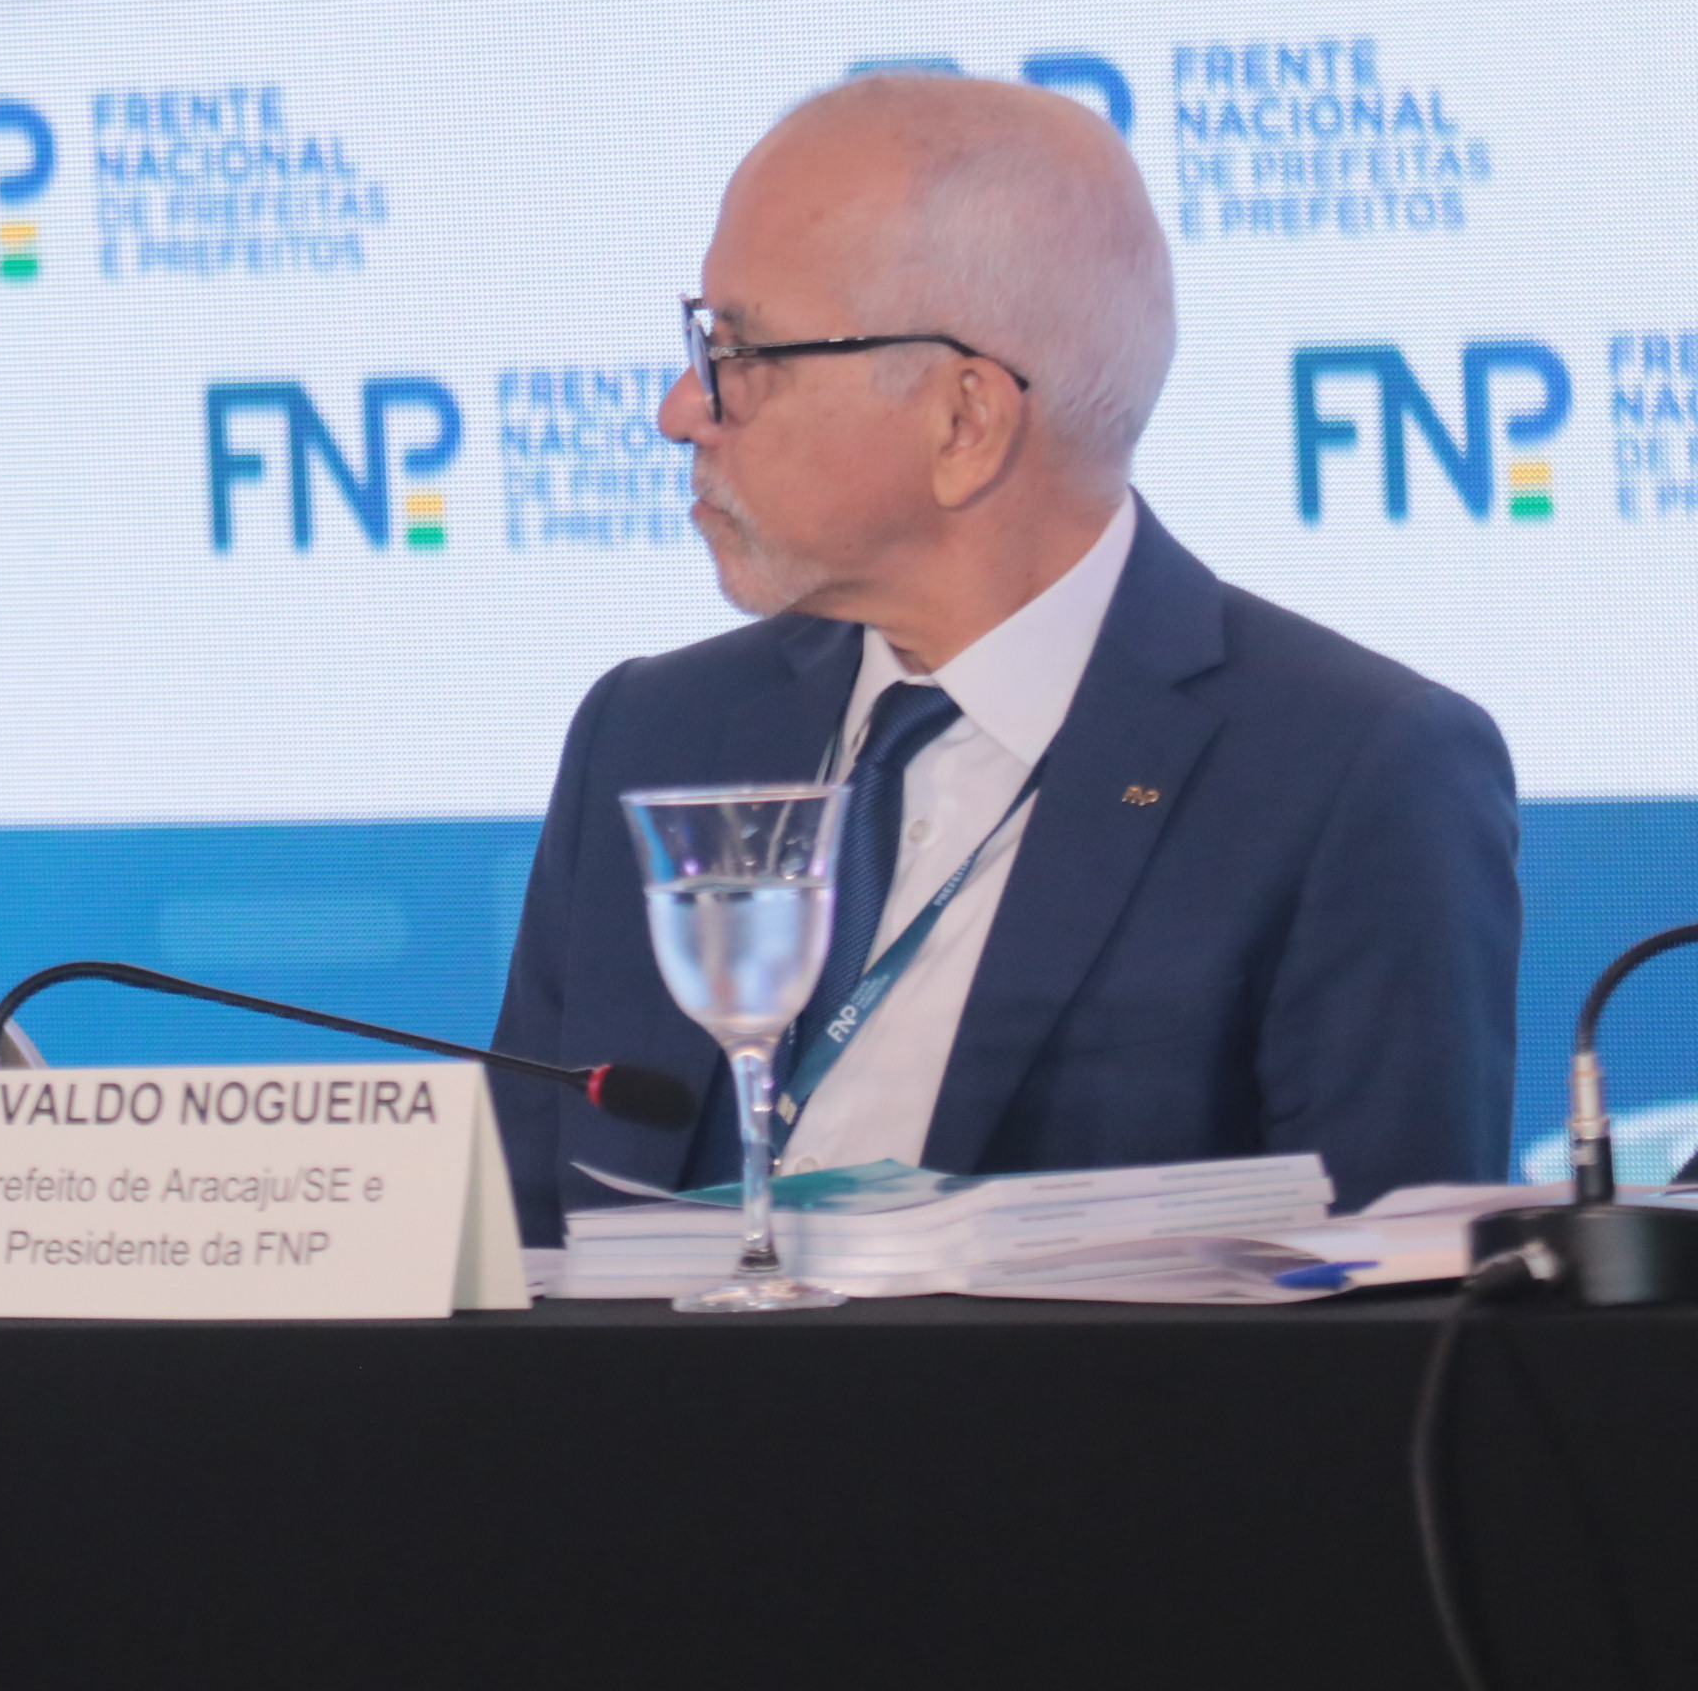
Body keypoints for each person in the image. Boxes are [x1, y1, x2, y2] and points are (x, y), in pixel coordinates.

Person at [491, 74, 1518, 1243]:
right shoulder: (652, 730)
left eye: (739, 349)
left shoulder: (1349, 772)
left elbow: (1390, 1306)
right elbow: (520, 1251)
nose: (682, 408)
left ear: (965, 421)